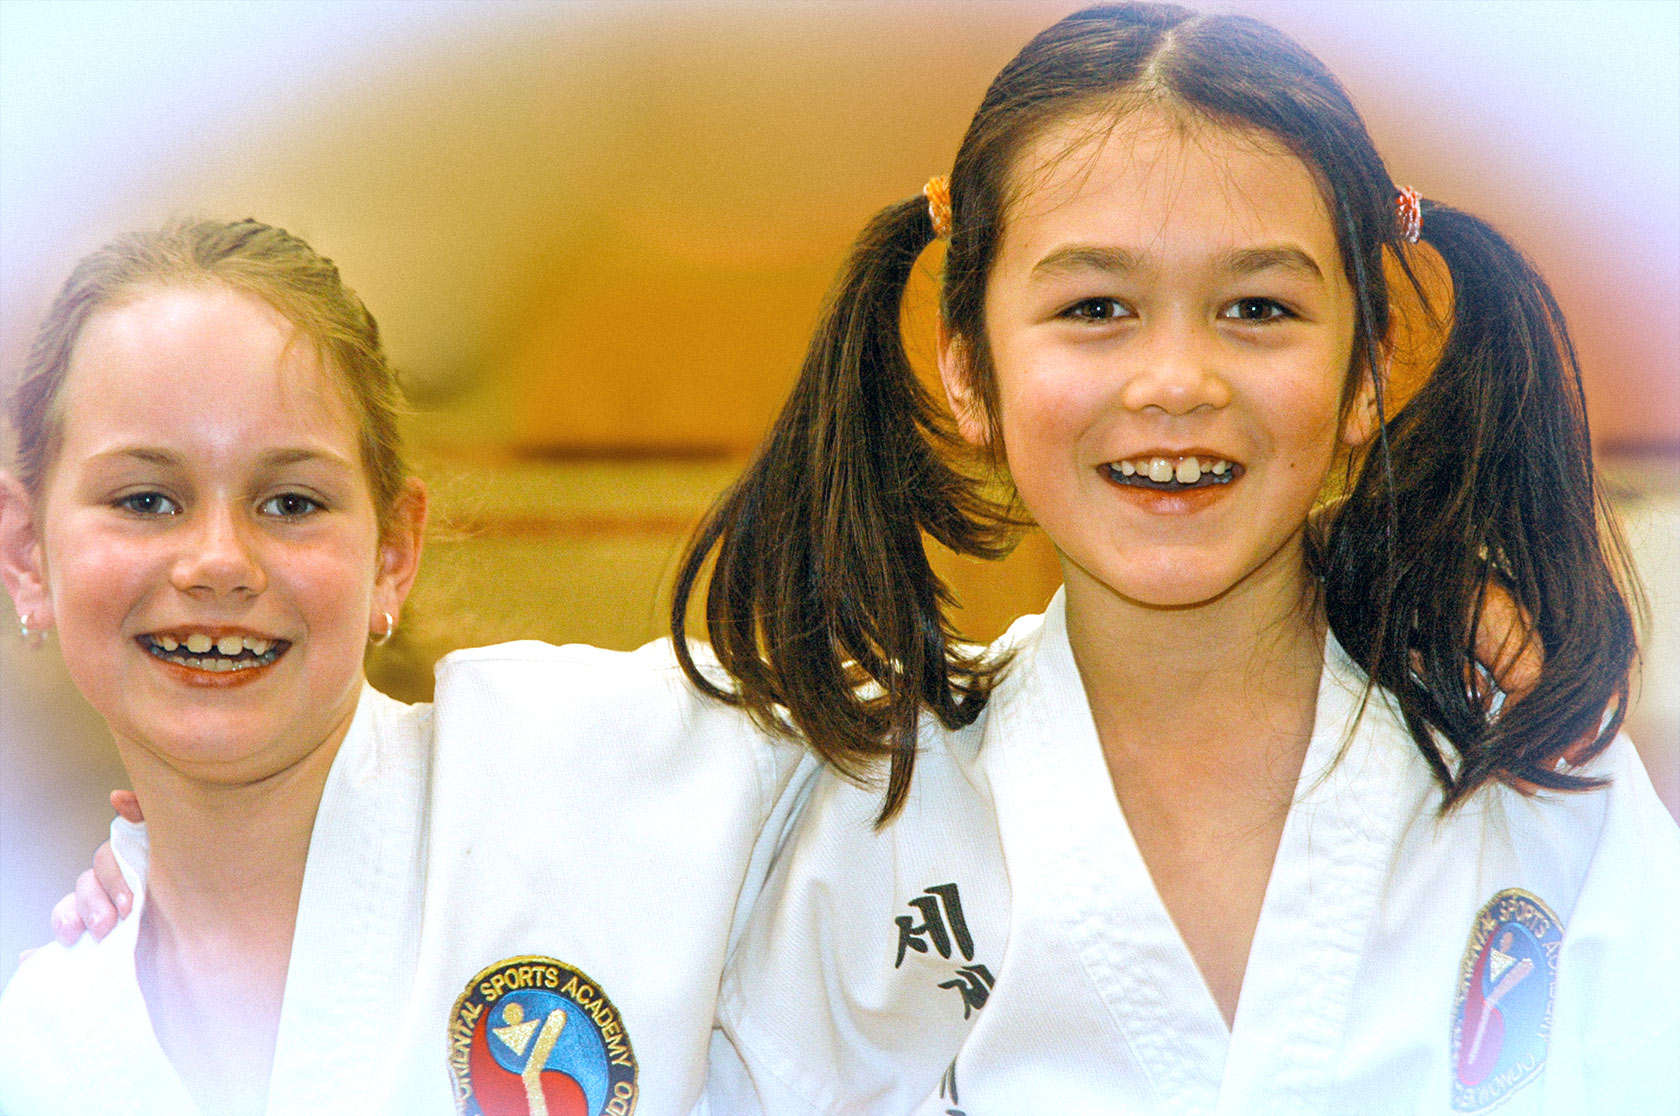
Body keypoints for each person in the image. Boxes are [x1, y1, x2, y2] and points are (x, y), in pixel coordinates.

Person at [669, 4, 1680, 1113]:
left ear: (1365, 366)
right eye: (1095, 307)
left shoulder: (1530, 775)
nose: (1177, 380)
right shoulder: (857, 815)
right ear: (968, 372)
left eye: (1259, 308)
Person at [0, 218, 812, 1115]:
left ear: (393, 552)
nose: (219, 561)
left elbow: (954, 736)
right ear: (28, 552)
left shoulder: (594, 769)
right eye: (147, 499)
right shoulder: (46, 1044)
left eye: (291, 501)